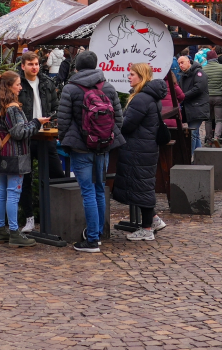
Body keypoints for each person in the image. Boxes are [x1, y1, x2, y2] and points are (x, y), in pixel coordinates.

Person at [51, 49, 124, 254]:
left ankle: (91, 240)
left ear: (77, 67)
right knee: (99, 189)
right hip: (103, 147)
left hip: (81, 148)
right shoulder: (107, 87)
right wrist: (107, 139)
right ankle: (97, 234)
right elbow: (118, 119)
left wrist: (66, 141)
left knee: (88, 192)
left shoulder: (71, 88)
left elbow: (63, 121)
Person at [0, 70, 41, 247]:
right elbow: (18, 133)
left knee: (2, 191)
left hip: (1, 154)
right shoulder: (12, 108)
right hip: (15, 156)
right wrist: (37, 123)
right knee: (13, 193)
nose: (20, 87)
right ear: (9, 86)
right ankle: (14, 233)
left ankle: (0, 230)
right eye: (17, 84)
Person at [112, 63, 166, 241]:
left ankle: (147, 229)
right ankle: (154, 219)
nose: (129, 77)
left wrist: (116, 122)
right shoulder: (150, 97)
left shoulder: (141, 98)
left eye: (132, 74)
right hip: (145, 147)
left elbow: (127, 125)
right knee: (142, 185)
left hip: (138, 149)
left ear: (141, 77)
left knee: (142, 187)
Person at [14, 50, 58, 235]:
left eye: (37, 64)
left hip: (46, 136)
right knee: (25, 178)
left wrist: (52, 119)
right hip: (26, 136)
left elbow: (55, 106)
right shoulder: (17, 84)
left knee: (56, 173)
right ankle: (29, 218)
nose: (34, 67)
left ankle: (56, 214)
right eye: (30, 64)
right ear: (23, 66)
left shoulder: (47, 83)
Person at [177, 54, 209, 154]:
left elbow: (198, 88)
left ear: (188, 62)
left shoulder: (199, 73)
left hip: (198, 107)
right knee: (195, 134)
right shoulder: (183, 75)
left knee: (192, 133)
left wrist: (184, 96)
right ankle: (199, 156)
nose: (180, 65)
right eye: (179, 64)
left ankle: (189, 157)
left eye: (182, 63)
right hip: (190, 108)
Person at [205, 51, 222, 147]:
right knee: (219, 119)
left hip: (207, 97)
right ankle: (217, 137)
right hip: (220, 96)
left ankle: (208, 140)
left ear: (207, 59)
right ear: (216, 58)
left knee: (208, 120)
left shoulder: (203, 69)